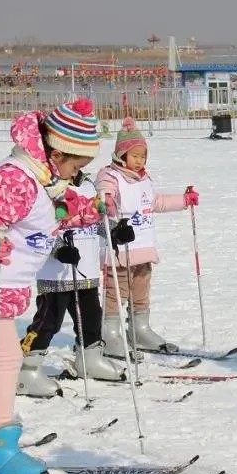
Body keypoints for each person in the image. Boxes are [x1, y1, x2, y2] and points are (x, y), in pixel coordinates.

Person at [0, 99, 105, 474]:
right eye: (77, 165)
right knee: (7, 359)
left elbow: (51, 213)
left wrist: (91, 210)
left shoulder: (44, 177)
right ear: (57, 152)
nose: (78, 174)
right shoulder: (17, 176)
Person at [17, 164, 124, 398]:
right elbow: (40, 226)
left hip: (85, 268)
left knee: (91, 318)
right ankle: (26, 367)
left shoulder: (88, 184)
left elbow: (93, 218)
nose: (77, 165)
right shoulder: (47, 186)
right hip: (55, 272)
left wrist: (113, 231)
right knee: (49, 321)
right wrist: (59, 249)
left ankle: (90, 358)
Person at [96, 117, 198, 358]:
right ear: (121, 155)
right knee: (116, 291)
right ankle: (108, 332)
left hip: (143, 246)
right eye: (135, 155)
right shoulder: (110, 175)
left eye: (143, 156)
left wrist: (183, 201)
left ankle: (139, 329)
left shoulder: (143, 179)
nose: (140, 160)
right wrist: (107, 202)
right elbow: (103, 195)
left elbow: (155, 202)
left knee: (141, 289)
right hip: (120, 248)